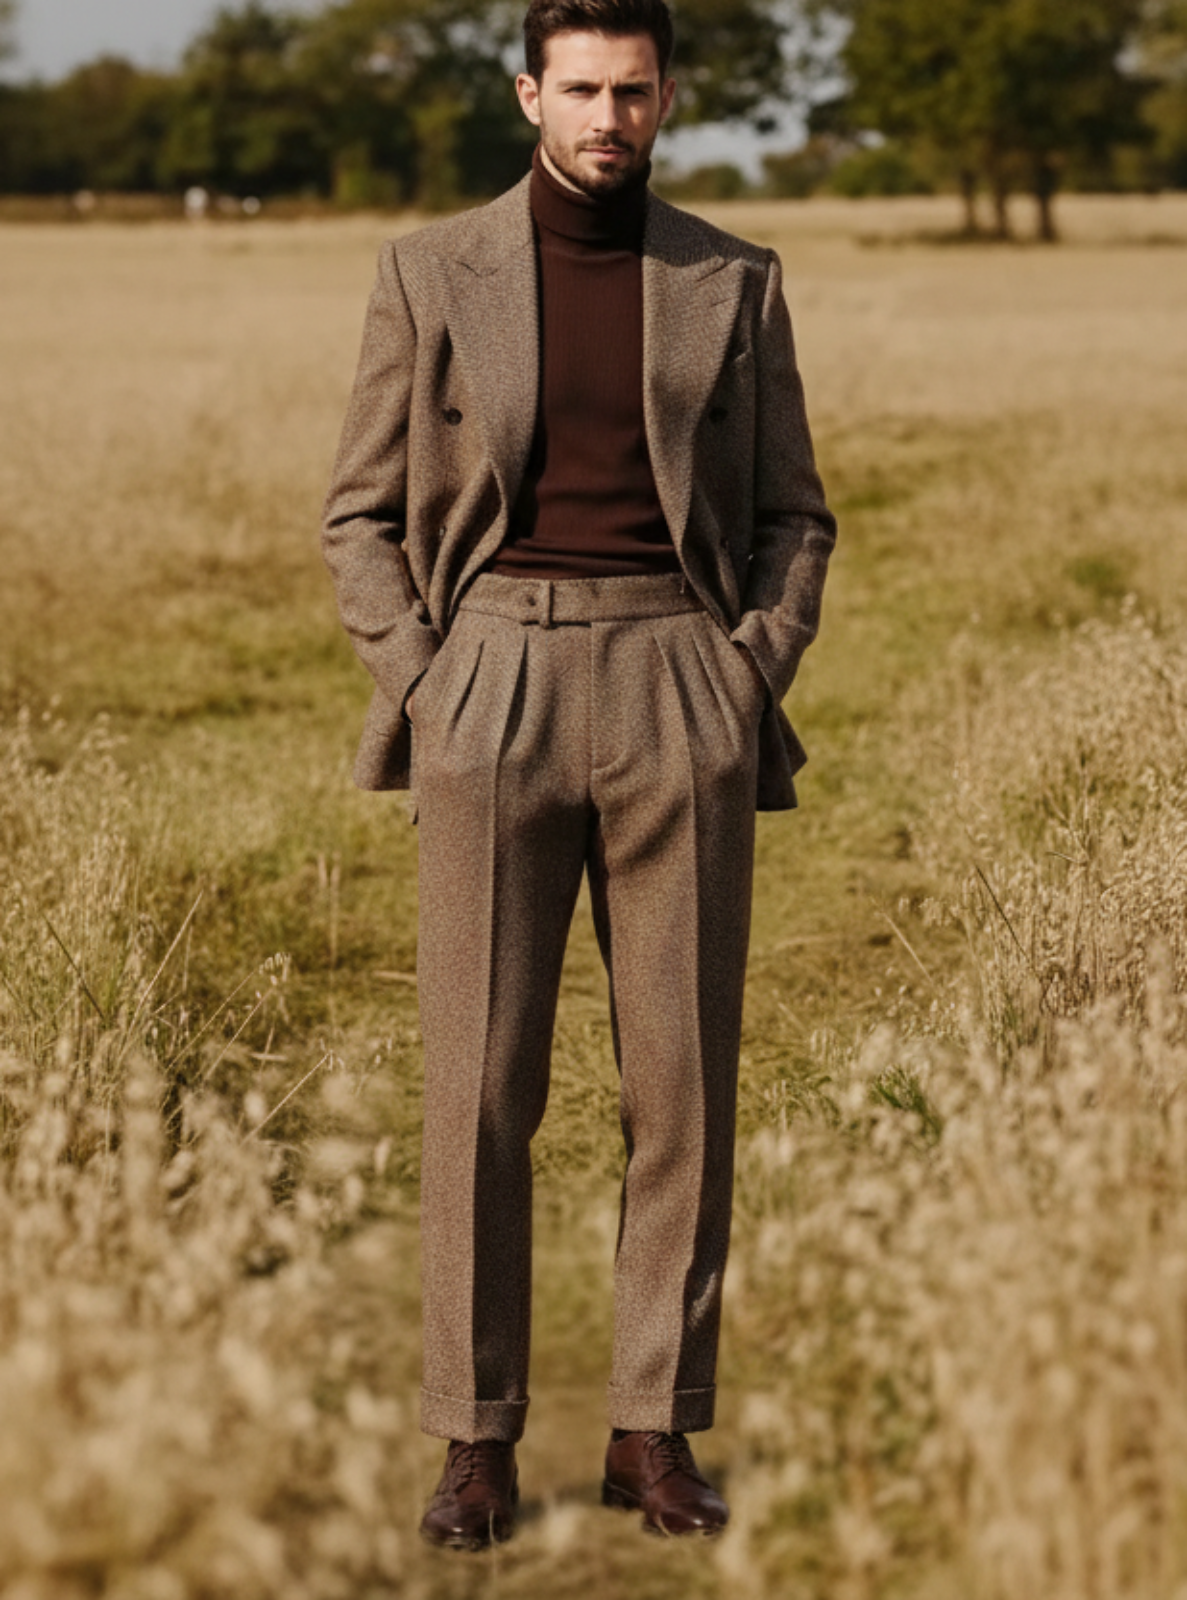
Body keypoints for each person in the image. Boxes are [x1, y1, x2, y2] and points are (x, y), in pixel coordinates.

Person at [321, 0, 835, 1550]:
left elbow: (794, 515)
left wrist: (745, 673)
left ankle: (649, 1428)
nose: (608, 116)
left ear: (666, 99)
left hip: (680, 675)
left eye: (633, 90)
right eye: (582, 89)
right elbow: (358, 516)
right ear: (527, 93)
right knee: (483, 1084)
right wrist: (428, 684)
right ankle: (474, 1436)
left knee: (680, 1084)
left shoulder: (732, 278)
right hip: (491, 678)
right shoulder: (429, 270)